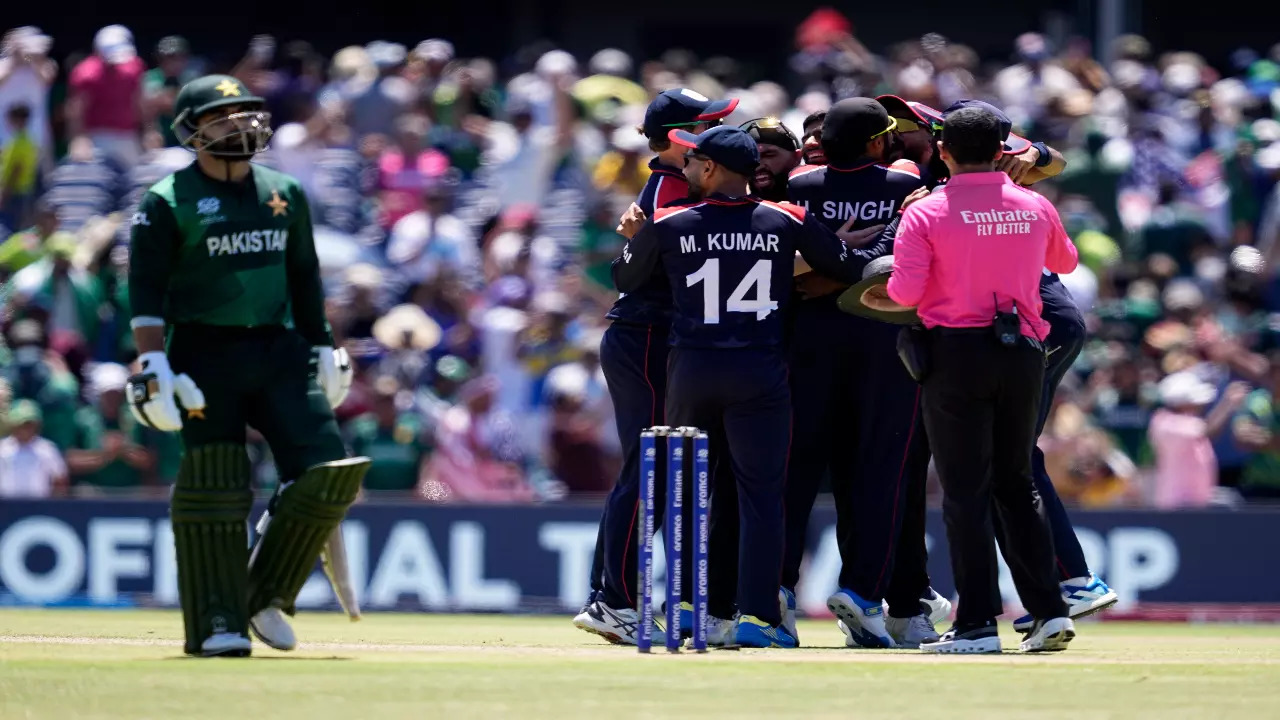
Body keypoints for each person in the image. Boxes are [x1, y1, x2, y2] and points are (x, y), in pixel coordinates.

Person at [126, 74, 363, 657]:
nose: (241, 124)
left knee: (330, 471)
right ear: (191, 130)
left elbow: (305, 277)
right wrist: (152, 361)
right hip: (202, 354)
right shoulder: (166, 201)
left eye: (247, 113)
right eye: (222, 116)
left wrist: (324, 344)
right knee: (217, 480)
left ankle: (263, 592)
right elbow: (144, 291)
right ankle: (215, 621)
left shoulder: (284, 190)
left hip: (280, 349)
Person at [614, 125, 868, 648]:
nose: (684, 171)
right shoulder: (787, 218)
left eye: (691, 163)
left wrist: (635, 238)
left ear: (709, 168)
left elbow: (626, 279)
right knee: (761, 498)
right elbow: (847, 266)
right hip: (759, 370)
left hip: (691, 370)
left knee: (686, 496)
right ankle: (756, 617)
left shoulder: (669, 221)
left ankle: (686, 610)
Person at [884, 97, 1118, 637]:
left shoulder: (925, 209)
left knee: (966, 492)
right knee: (1017, 484)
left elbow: (905, 290)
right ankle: (1051, 612)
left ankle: (975, 626)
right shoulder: (1034, 204)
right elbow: (1064, 263)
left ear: (942, 152)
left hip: (957, 353)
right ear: (1000, 153)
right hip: (1023, 351)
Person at [574, 88, 736, 645]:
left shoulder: (674, 184)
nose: (719, 134)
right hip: (644, 336)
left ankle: (616, 596)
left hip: (651, 337)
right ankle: (613, 600)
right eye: (709, 126)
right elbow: (631, 270)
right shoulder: (672, 188)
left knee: (659, 467)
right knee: (652, 467)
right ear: (679, 139)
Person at [781, 97, 927, 649]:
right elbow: (897, 268)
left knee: (793, 475)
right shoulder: (901, 188)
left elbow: (791, 270)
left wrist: (827, 269)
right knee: (878, 476)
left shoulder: (798, 187)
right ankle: (864, 592)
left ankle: (774, 593)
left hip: (810, 344)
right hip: (882, 343)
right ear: (875, 142)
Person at [740, 116, 801, 201]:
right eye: (751, 157)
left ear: (796, 157)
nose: (758, 165)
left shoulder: (816, 202)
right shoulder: (733, 210)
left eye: (768, 155)